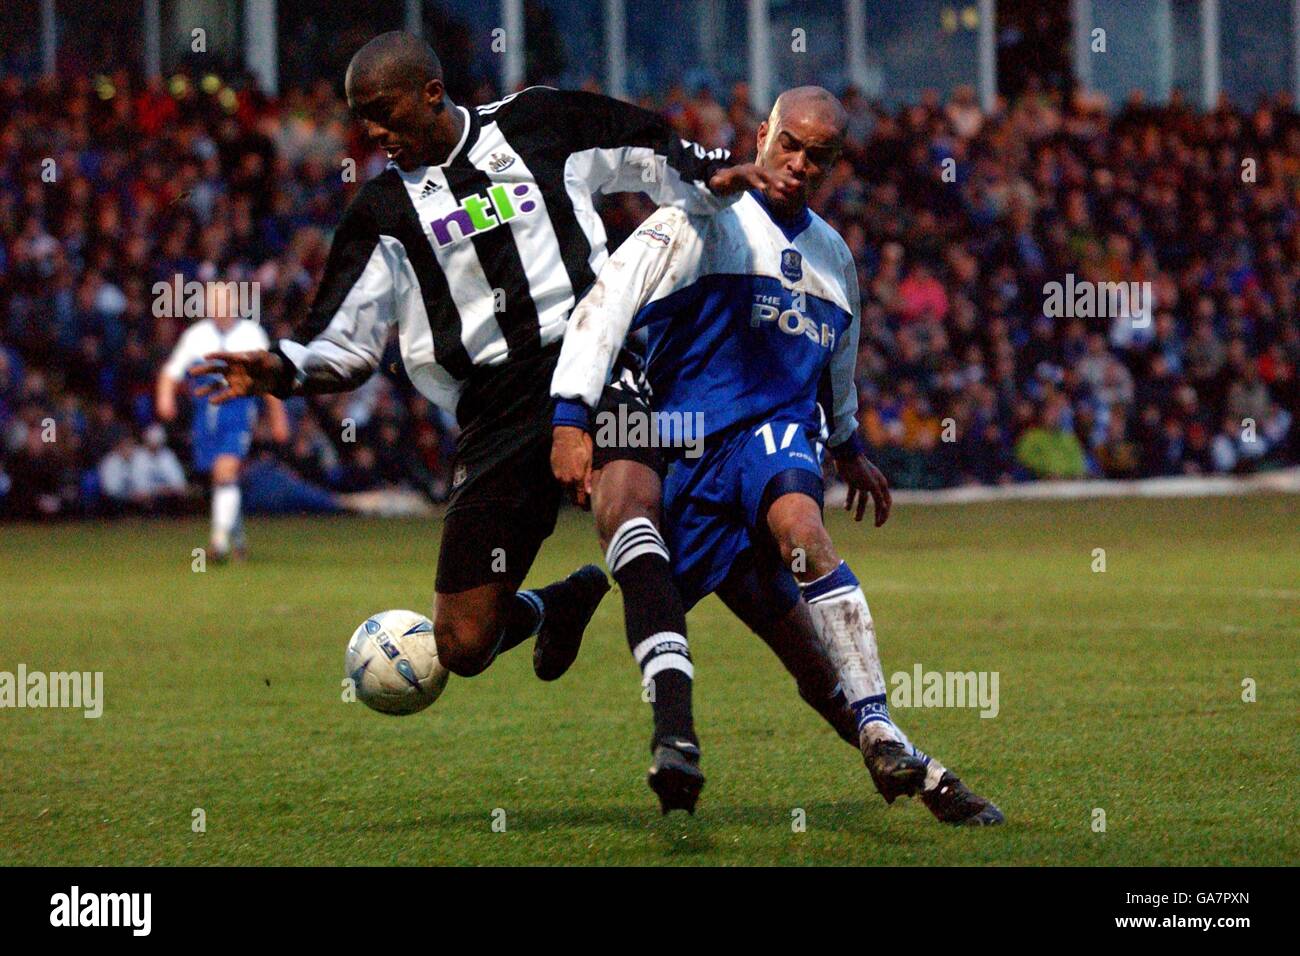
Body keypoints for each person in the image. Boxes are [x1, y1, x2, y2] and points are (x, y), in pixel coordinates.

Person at [189, 33, 793, 749]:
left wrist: (709, 176)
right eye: (362, 119)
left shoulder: (537, 124)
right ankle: (555, 606)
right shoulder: (381, 212)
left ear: (431, 94)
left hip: (591, 360)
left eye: (382, 112)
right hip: (492, 413)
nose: (373, 132)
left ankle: (675, 734)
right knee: (462, 644)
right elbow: (342, 340)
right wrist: (283, 369)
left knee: (631, 511)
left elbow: (649, 148)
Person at [551, 86, 1002, 825]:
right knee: (807, 660)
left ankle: (886, 731)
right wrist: (572, 417)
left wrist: (850, 446)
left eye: (818, 155)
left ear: (834, 164)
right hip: (692, 453)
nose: (798, 163)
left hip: (777, 438)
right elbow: (605, 306)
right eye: (788, 143)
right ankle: (917, 772)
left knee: (802, 525)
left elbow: (839, 363)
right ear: (761, 134)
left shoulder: (834, 257)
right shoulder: (700, 219)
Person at [157, 284, 290, 559]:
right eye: (213, 301)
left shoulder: (251, 334)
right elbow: (171, 372)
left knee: (225, 471)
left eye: (224, 300)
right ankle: (238, 539)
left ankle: (218, 543)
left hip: (238, 412)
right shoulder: (197, 336)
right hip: (206, 418)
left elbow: (268, 380)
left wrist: (278, 418)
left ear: (235, 303)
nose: (219, 307)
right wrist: (165, 398)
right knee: (221, 478)